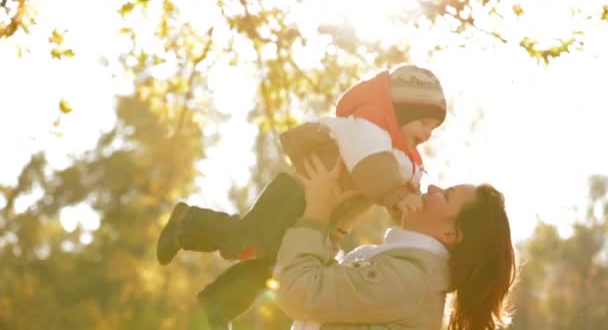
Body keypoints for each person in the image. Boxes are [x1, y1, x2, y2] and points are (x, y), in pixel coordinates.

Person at [156, 64, 448, 328]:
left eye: (433, 129)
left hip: (316, 211)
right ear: (402, 111)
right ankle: (187, 222)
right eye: (424, 123)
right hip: (295, 194)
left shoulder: (398, 157)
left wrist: (401, 205)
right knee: (247, 238)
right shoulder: (368, 129)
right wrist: (397, 195)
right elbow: (370, 168)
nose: (428, 134)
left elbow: (376, 196)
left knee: (272, 266)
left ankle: (218, 304)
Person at [273, 155, 517, 330]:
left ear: (450, 234)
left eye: (445, 195)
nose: (432, 187)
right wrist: (341, 223)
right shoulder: (412, 273)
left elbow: (299, 289)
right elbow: (329, 290)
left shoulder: (411, 279)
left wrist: (317, 211)